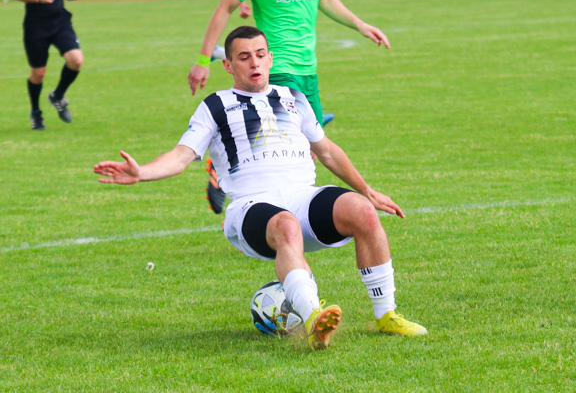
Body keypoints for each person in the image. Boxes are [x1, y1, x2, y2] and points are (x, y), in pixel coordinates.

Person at [95, 26, 427, 349]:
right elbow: (181, 157)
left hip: (302, 196)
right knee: (286, 225)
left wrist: (367, 190)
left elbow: (326, 150)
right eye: (243, 57)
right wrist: (142, 172)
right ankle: (313, 317)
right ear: (228, 65)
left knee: (363, 212)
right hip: (250, 206)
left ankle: (387, 316)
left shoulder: (293, 97)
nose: (254, 63)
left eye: (259, 55)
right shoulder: (215, 105)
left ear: (270, 58)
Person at [189, 0, 389, 213]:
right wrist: (202, 60)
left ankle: (232, 179)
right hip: (276, 68)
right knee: (284, 149)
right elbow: (224, 8)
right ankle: (265, 217)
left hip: (308, 69)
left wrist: (361, 24)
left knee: (309, 148)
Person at [10, 0, 83, 131]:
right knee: (38, 73)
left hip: (60, 20)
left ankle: (58, 96)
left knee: (76, 60)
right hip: (36, 24)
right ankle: (36, 112)